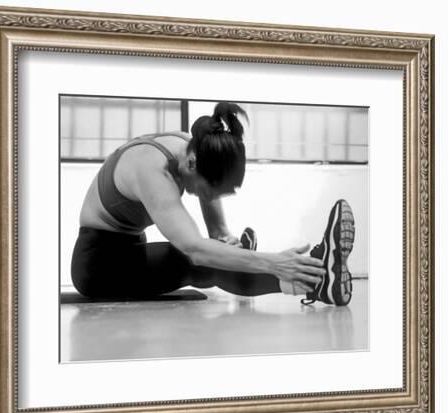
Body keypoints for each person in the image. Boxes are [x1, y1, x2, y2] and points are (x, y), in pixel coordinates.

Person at [70, 102, 354, 305]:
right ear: (193, 165)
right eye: (208, 191)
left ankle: (314, 276)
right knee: (195, 261)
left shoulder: (194, 148)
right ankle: (316, 280)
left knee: (215, 253)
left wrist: (227, 242)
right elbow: (195, 250)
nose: (208, 198)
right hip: (98, 264)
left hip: (130, 248)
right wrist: (270, 261)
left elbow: (216, 230)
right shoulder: (150, 168)